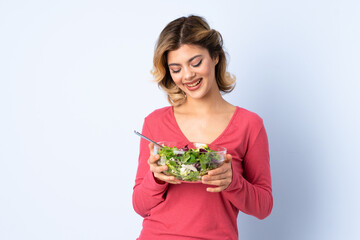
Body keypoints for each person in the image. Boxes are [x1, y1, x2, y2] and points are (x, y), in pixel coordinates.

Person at [132, 15, 273, 240]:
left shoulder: (249, 125)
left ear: (215, 56)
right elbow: (139, 205)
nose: (187, 75)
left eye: (195, 63)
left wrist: (232, 182)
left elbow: (264, 207)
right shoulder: (155, 122)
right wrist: (156, 178)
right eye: (176, 69)